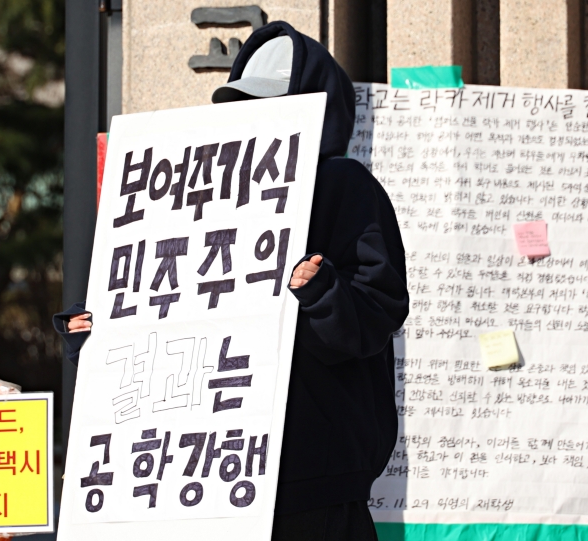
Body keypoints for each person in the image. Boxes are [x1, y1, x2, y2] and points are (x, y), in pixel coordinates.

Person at [54, 21, 409, 541]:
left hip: (309, 482)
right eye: (243, 101)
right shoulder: (197, 193)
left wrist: (321, 293)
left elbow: (375, 316)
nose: (255, 115)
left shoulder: (343, 184)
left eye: (274, 103)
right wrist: (99, 337)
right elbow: (173, 315)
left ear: (316, 108)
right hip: (201, 482)